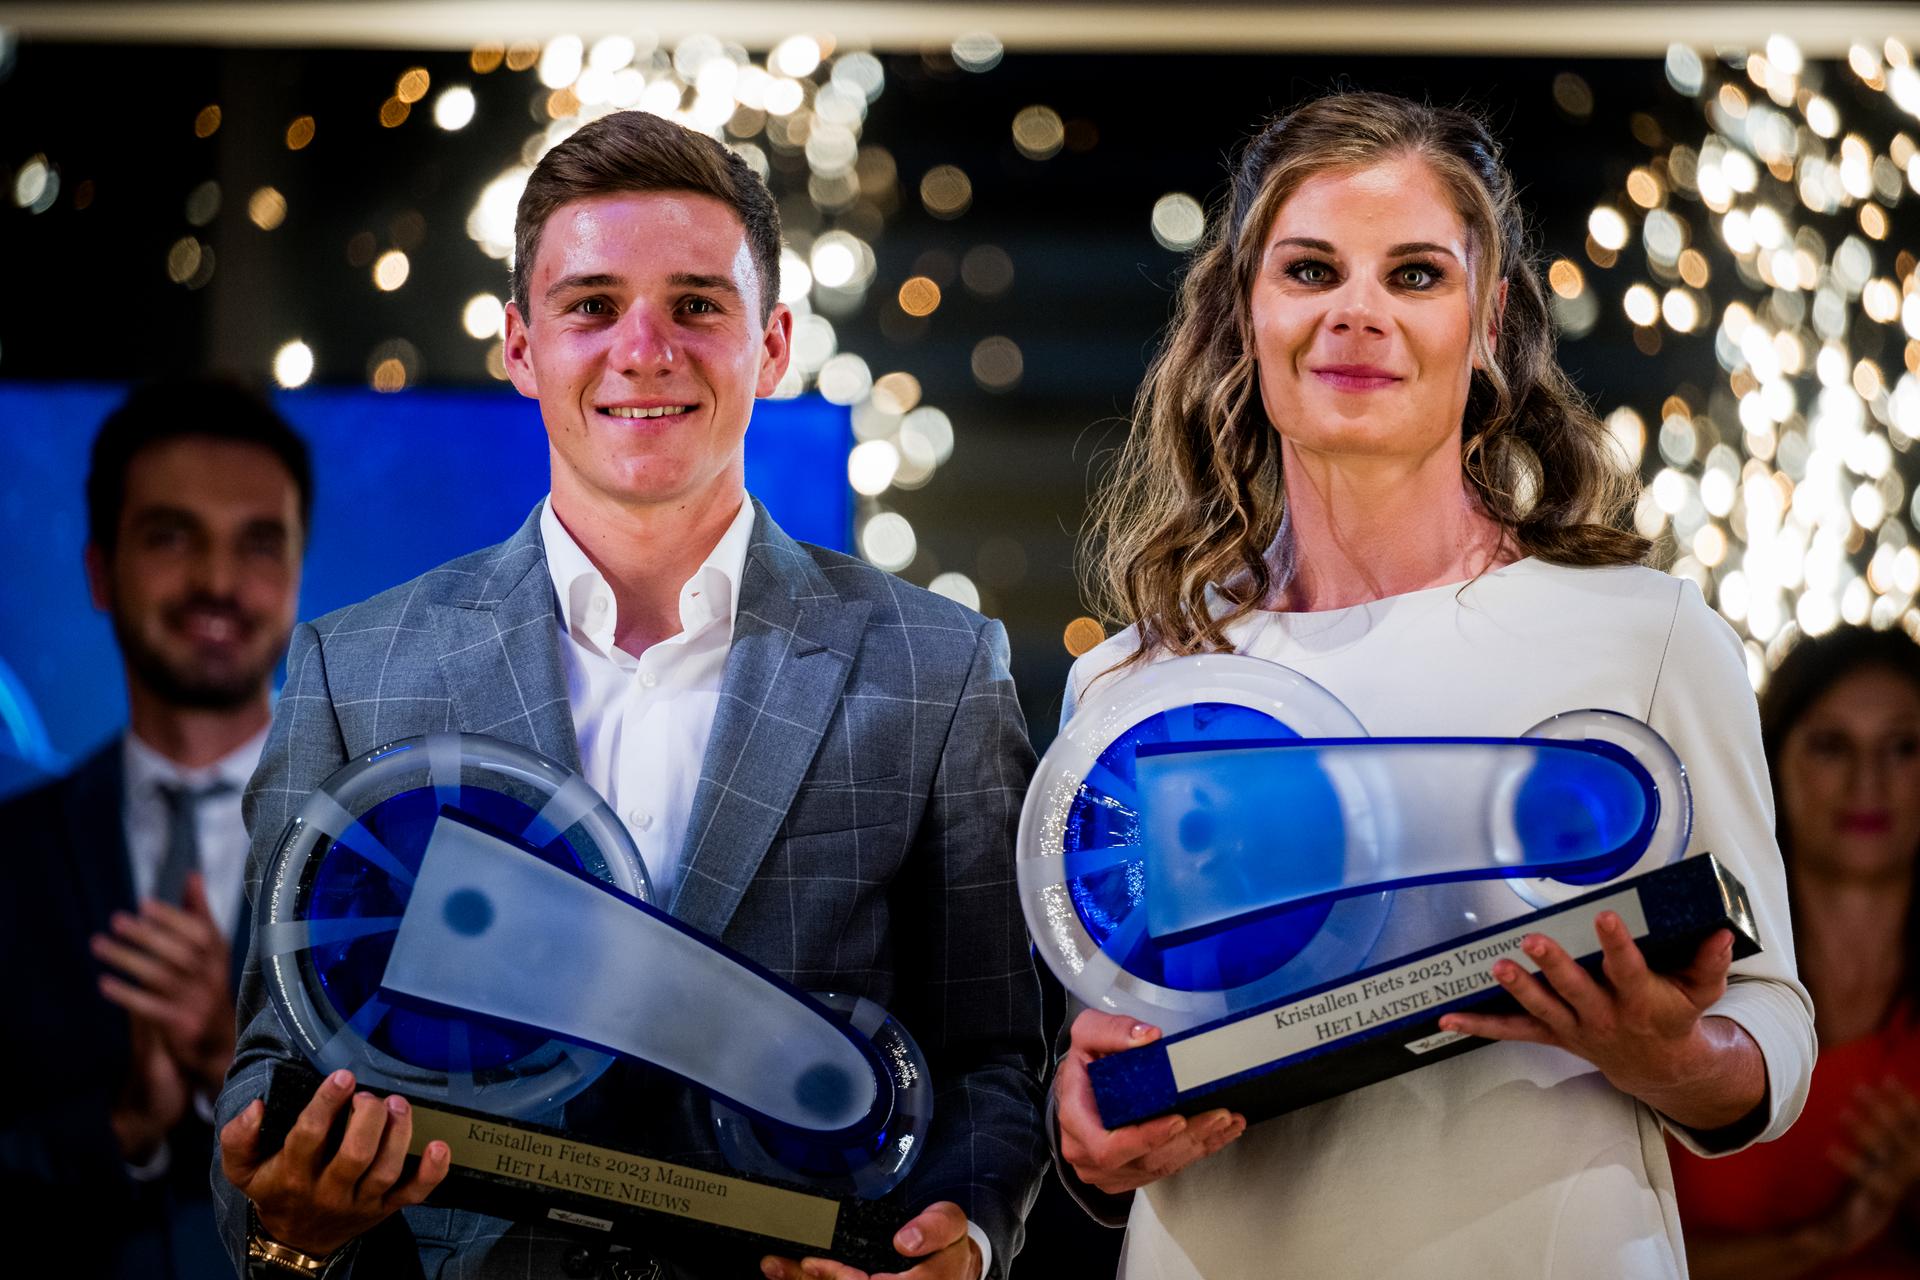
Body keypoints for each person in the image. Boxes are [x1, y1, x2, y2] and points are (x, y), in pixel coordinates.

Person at [211, 109, 1047, 1280]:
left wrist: (962, 1239)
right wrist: (290, 1223)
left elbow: (994, 1061)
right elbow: (270, 1060)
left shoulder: (938, 665)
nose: (644, 348)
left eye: (697, 305)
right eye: (592, 305)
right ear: (520, 345)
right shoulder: (358, 667)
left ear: (772, 345)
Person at [1049, 91, 1816, 1278]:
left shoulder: (1647, 635)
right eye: (1311, 270)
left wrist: (1678, 1059)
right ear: (1243, 309)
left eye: (1414, 275)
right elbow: (1102, 1044)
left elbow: (1772, 1015)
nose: (1358, 313)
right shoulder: (1132, 680)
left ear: (1489, 314)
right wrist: (1087, 1131)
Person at [0, 379, 310, 1278]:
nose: (217, 581)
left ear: (296, 573)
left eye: (257, 544)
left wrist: (234, 1062)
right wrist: (121, 1128)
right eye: (172, 537)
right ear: (100, 569)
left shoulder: (385, 857)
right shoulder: (11, 861)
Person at [1672, 625, 1920, 1278]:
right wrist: (1818, 1243)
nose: (1868, 780)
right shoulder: (1692, 980)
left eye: (1903, 747)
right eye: (1833, 746)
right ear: (1772, 762)